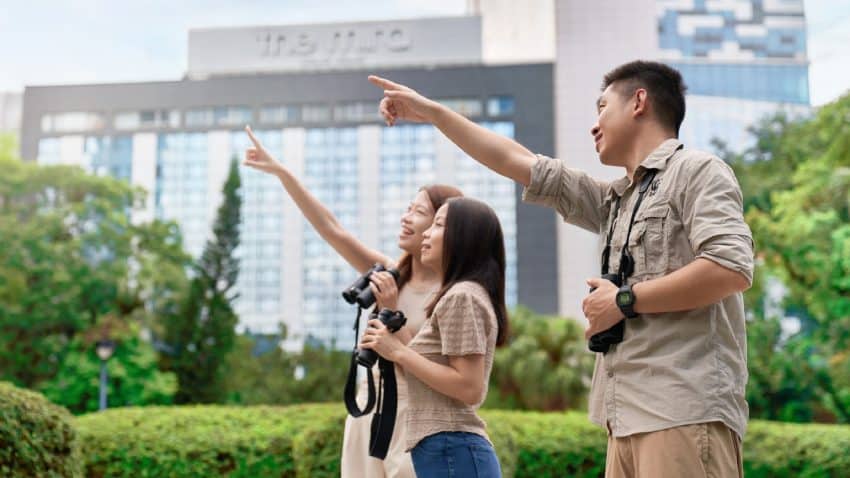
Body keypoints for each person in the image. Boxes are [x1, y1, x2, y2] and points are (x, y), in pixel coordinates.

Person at [368, 60, 754, 478]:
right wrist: (432, 112)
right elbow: (516, 160)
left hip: (682, 410)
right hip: (623, 420)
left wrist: (624, 300)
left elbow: (729, 267)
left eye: (602, 107)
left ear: (639, 101)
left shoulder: (697, 171)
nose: (594, 125)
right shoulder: (614, 202)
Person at [242, 125, 463, 478]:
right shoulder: (392, 274)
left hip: (414, 415)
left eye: (418, 212)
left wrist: (392, 311)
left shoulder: (453, 294)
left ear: (442, 225)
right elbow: (333, 230)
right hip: (366, 407)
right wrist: (282, 172)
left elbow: (446, 375)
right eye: (407, 208)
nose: (406, 217)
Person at [360, 196, 509, 478]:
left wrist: (398, 352)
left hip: (452, 448)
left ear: (462, 238)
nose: (426, 233)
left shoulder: (462, 296)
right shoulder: (460, 295)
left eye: (438, 225)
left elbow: (469, 386)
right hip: (444, 449)